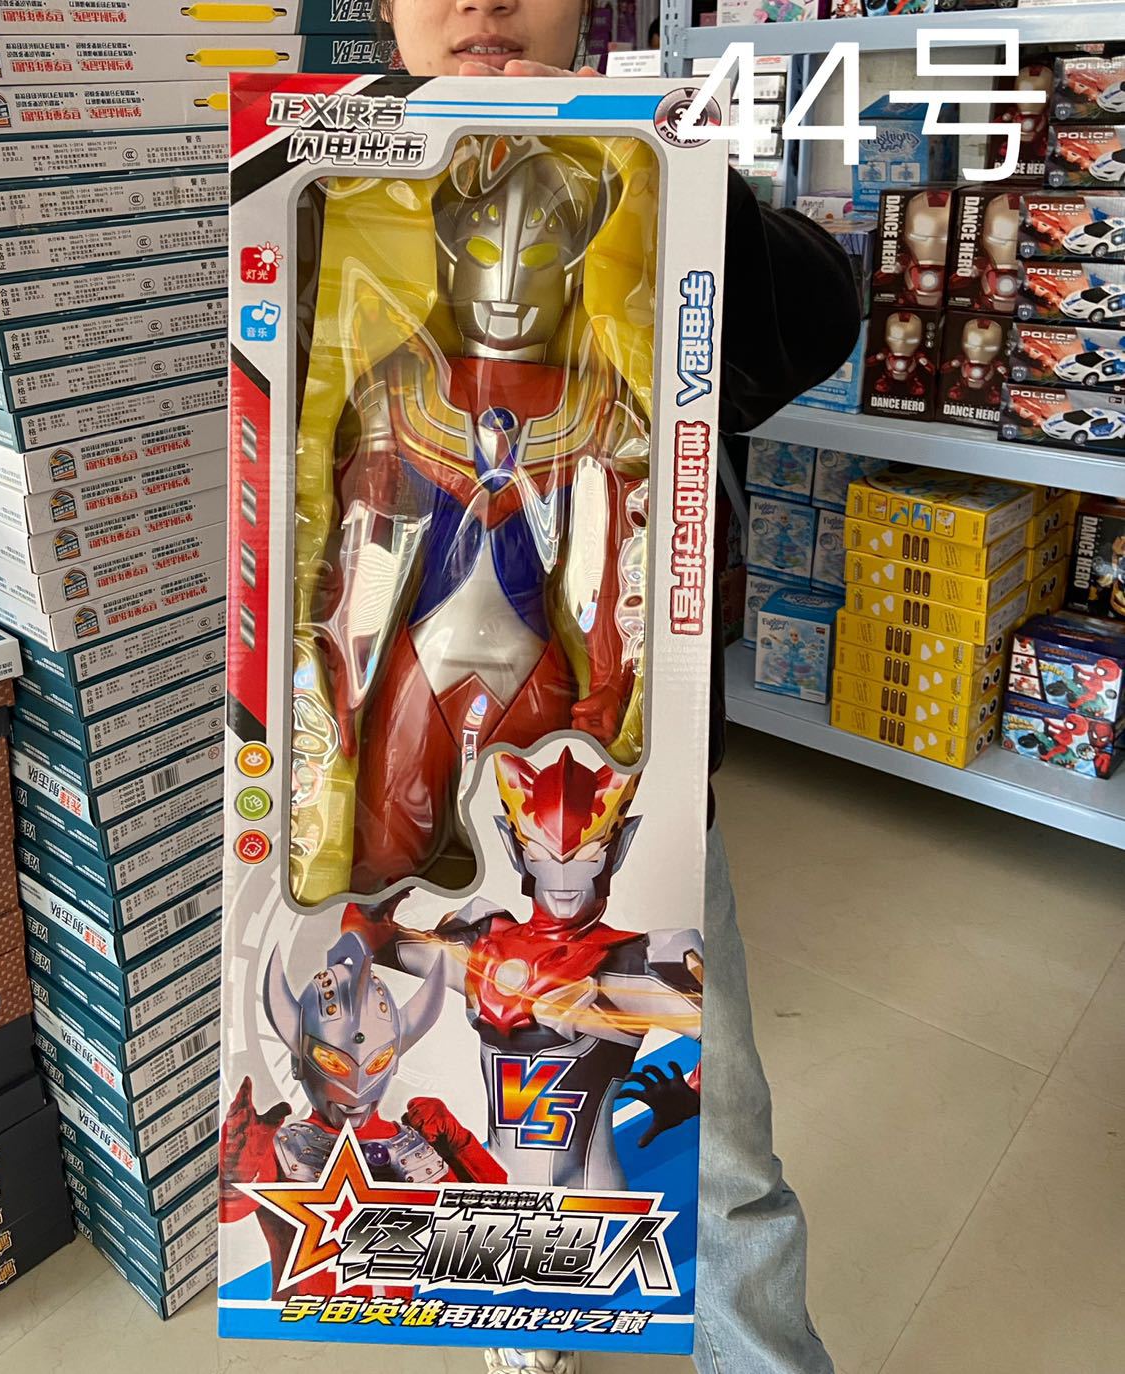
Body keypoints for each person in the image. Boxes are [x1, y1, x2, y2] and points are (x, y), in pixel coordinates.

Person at [373, 5, 863, 1372]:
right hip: (416, 761)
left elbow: (815, 314)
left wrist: (665, 162)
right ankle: (514, 1323)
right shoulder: (326, 178)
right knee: (477, 1091)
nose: (483, 6)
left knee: (717, 1142)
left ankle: (751, 1343)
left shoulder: (650, 170)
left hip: (623, 777)